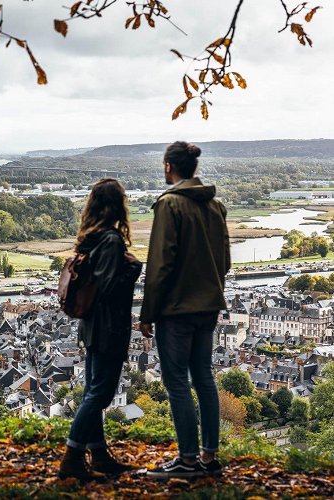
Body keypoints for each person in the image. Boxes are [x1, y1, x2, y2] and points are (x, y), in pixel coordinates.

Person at [139, 141, 231, 479]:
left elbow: (160, 265)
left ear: (168, 167)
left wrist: (148, 313)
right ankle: (209, 457)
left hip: (176, 309)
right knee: (204, 377)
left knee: (177, 382)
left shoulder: (171, 205)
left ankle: (188, 460)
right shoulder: (215, 206)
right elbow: (225, 261)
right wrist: (211, 291)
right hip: (208, 307)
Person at [58, 179, 143, 482]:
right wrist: (132, 271)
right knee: (100, 394)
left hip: (92, 325)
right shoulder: (111, 241)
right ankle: (72, 456)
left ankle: (100, 454)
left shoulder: (91, 238)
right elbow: (108, 289)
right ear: (116, 206)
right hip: (109, 327)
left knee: (92, 391)